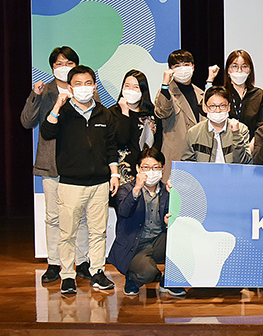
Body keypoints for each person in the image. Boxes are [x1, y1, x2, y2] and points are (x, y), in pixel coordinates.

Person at [40, 65, 120, 296]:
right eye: (78, 84)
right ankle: (67, 276)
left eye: (88, 83)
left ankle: (97, 272)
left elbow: (111, 147)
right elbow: (47, 132)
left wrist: (114, 174)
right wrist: (57, 105)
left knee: (98, 232)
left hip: (100, 183)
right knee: (67, 233)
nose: (83, 88)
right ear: (70, 87)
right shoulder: (63, 112)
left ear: (94, 86)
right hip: (70, 184)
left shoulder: (104, 114)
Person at [21, 46, 93, 284]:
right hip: (51, 163)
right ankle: (54, 263)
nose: (64, 68)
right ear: (52, 68)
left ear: (76, 66)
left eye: (69, 63)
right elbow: (27, 122)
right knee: (53, 217)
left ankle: (82, 261)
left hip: (80, 163)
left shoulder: (85, 90)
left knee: (81, 216)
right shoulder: (45, 91)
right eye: (59, 64)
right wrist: (35, 95)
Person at [107, 148, 184, 297]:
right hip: (135, 245)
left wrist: (169, 219)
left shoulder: (167, 190)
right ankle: (132, 277)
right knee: (147, 272)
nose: (151, 172)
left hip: (158, 241)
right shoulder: (126, 190)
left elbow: (179, 216)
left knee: (183, 240)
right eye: (146, 167)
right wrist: (136, 189)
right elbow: (123, 211)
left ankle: (168, 280)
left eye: (156, 167)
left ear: (162, 169)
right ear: (138, 168)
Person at [155, 49, 216, 176]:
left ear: (193, 66)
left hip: (200, 156)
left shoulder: (199, 93)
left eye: (186, 64)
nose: (182, 69)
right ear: (170, 70)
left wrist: (210, 80)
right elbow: (162, 112)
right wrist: (165, 84)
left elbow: (208, 110)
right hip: (176, 155)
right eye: (177, 66)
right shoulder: (166, 93)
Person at [109, 70, 163, 186]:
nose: (130, 90)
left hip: (147, 173)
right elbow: (122, 140)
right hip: (122, 174)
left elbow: (158, 143)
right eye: (127, 86)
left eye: (136, 87)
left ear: (143, 90)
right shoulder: (112, 113)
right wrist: (125, 113)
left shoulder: (152, 114)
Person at [182, 86, 252, 164]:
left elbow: (242, 162)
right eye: (212, 106)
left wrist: (236, 134)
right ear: (205, 108)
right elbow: (186, 163)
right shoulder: (194, 132)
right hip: (204, 172)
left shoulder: (241, 129)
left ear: (229, 107)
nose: (218, 110)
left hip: (231, 172)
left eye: (222, 106)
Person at [218, 49, 263, 137]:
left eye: (244, 66)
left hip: (252, 142)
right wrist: (209, 81)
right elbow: (204, 110)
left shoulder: (258, 94)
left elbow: (262, 124)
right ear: (228, 70)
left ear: (250, 70)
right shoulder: (221, 93)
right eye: (234, 66)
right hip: (226, 142)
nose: (239, 70)